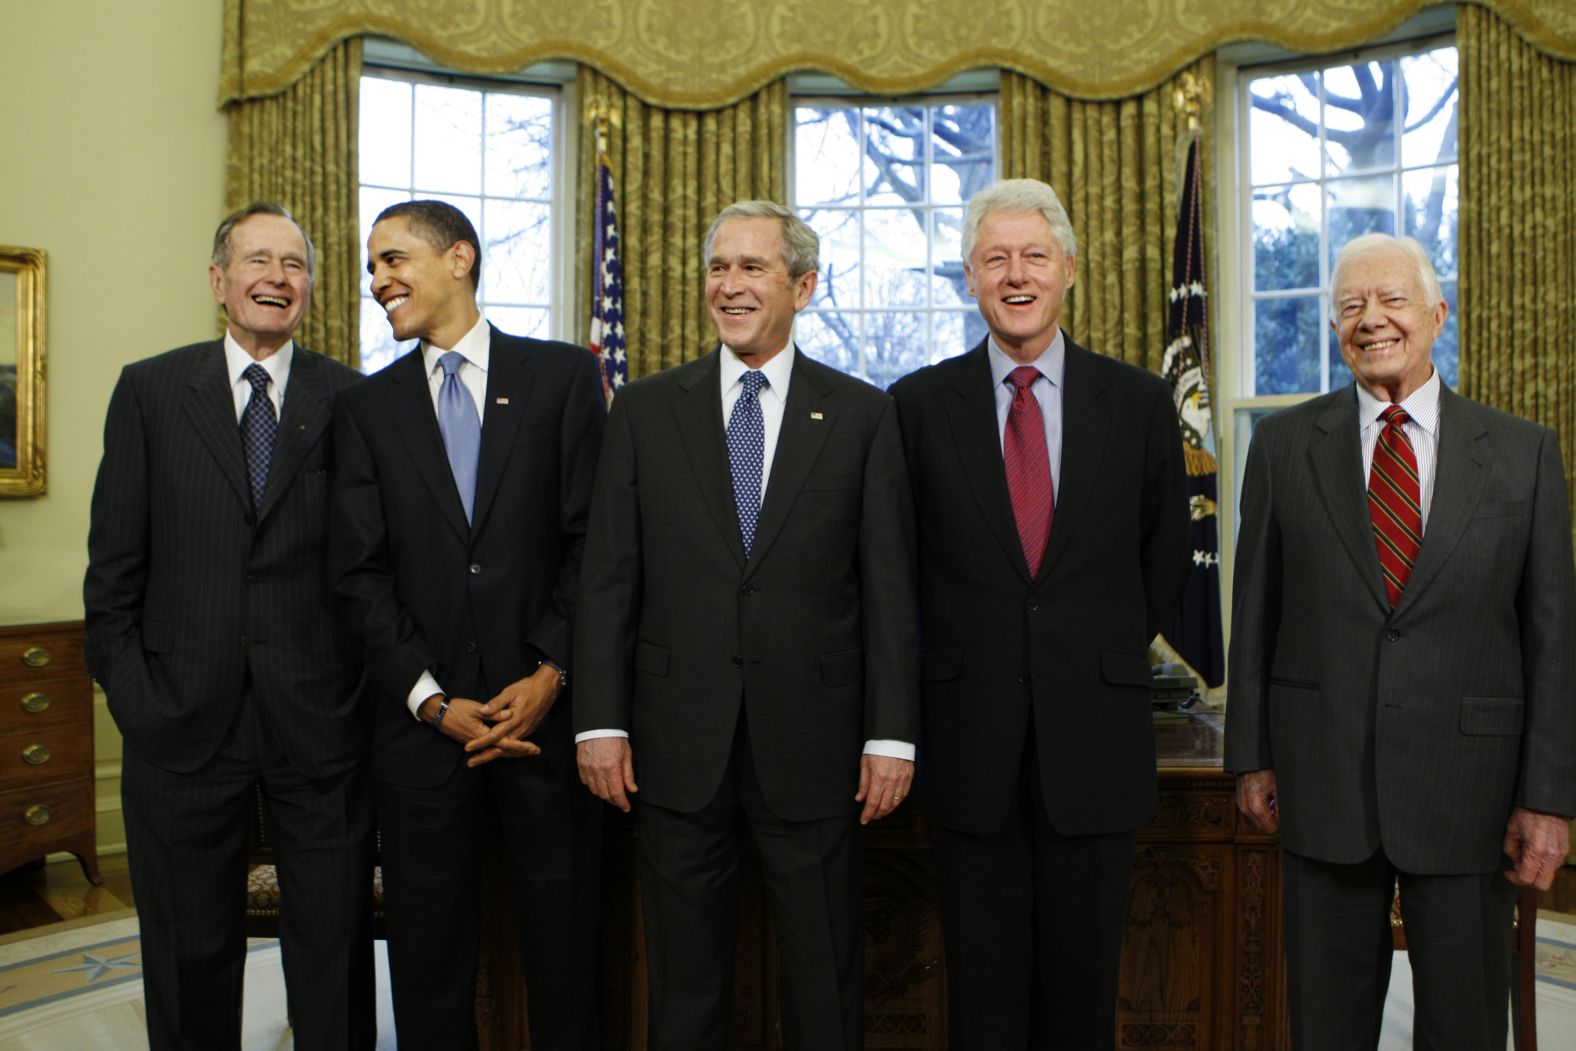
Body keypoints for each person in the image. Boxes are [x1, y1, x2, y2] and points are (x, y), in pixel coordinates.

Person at [573, 200, 920, 1050]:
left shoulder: (862, 416)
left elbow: (888, 590)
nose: (729, 286)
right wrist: (601, 721)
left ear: (803, 285)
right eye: (718, 268)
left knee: (822, 980)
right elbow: (609, 578)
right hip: (674, 746)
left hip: (816, 747)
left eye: (752, 268)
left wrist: (893, 737)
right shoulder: (646, 411)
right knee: (685, 987)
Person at [1226, 232, 1576, 1049]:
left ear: (1436, 314)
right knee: (1326, 1027)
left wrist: (1549, 795)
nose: (1370, 319)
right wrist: (1251, 753)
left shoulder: (1522, 454)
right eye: (1349, 305)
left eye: (1391, 300)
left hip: (1472, 794)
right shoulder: (1282, 448)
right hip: (1322, 785)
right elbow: (1256, 614)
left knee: (1464, 1027)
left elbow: (1553, 637)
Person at [888, 177, 1191, 1048]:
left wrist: (1081, 651)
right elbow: (898, 566)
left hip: (1093, 740)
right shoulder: (916, 406)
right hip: (967, 742)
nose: (1015, 275)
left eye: (1033, 257)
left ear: (1068, 271)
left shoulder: (1135, 402)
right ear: (970, 278)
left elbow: (1165, 555)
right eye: (995, 259)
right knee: (980, 998)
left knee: (1084, 995)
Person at [83, 202, 374, 1050]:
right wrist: (140, 701)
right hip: (179, 723)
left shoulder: (352, 399)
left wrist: (353, 695)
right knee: (187, 951)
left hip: (320, 726)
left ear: (311, 289)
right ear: (219, 281)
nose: (275, 278)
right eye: (257, 260)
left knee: (332, 952)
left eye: (293, 265)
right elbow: (113, 574)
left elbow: (369, 569)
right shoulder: (149, 390)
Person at [330, 200, 606, 1049]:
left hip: (546, 731)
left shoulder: (562, 377)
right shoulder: (366, 410)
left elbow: (593, 544)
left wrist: (549, 673)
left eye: (393, 259)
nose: (378, 281)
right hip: (422, 743)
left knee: (567, 963)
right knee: (428, 969)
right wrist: (430, 699)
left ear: (459, 257)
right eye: (372, 267)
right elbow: (358, 575)